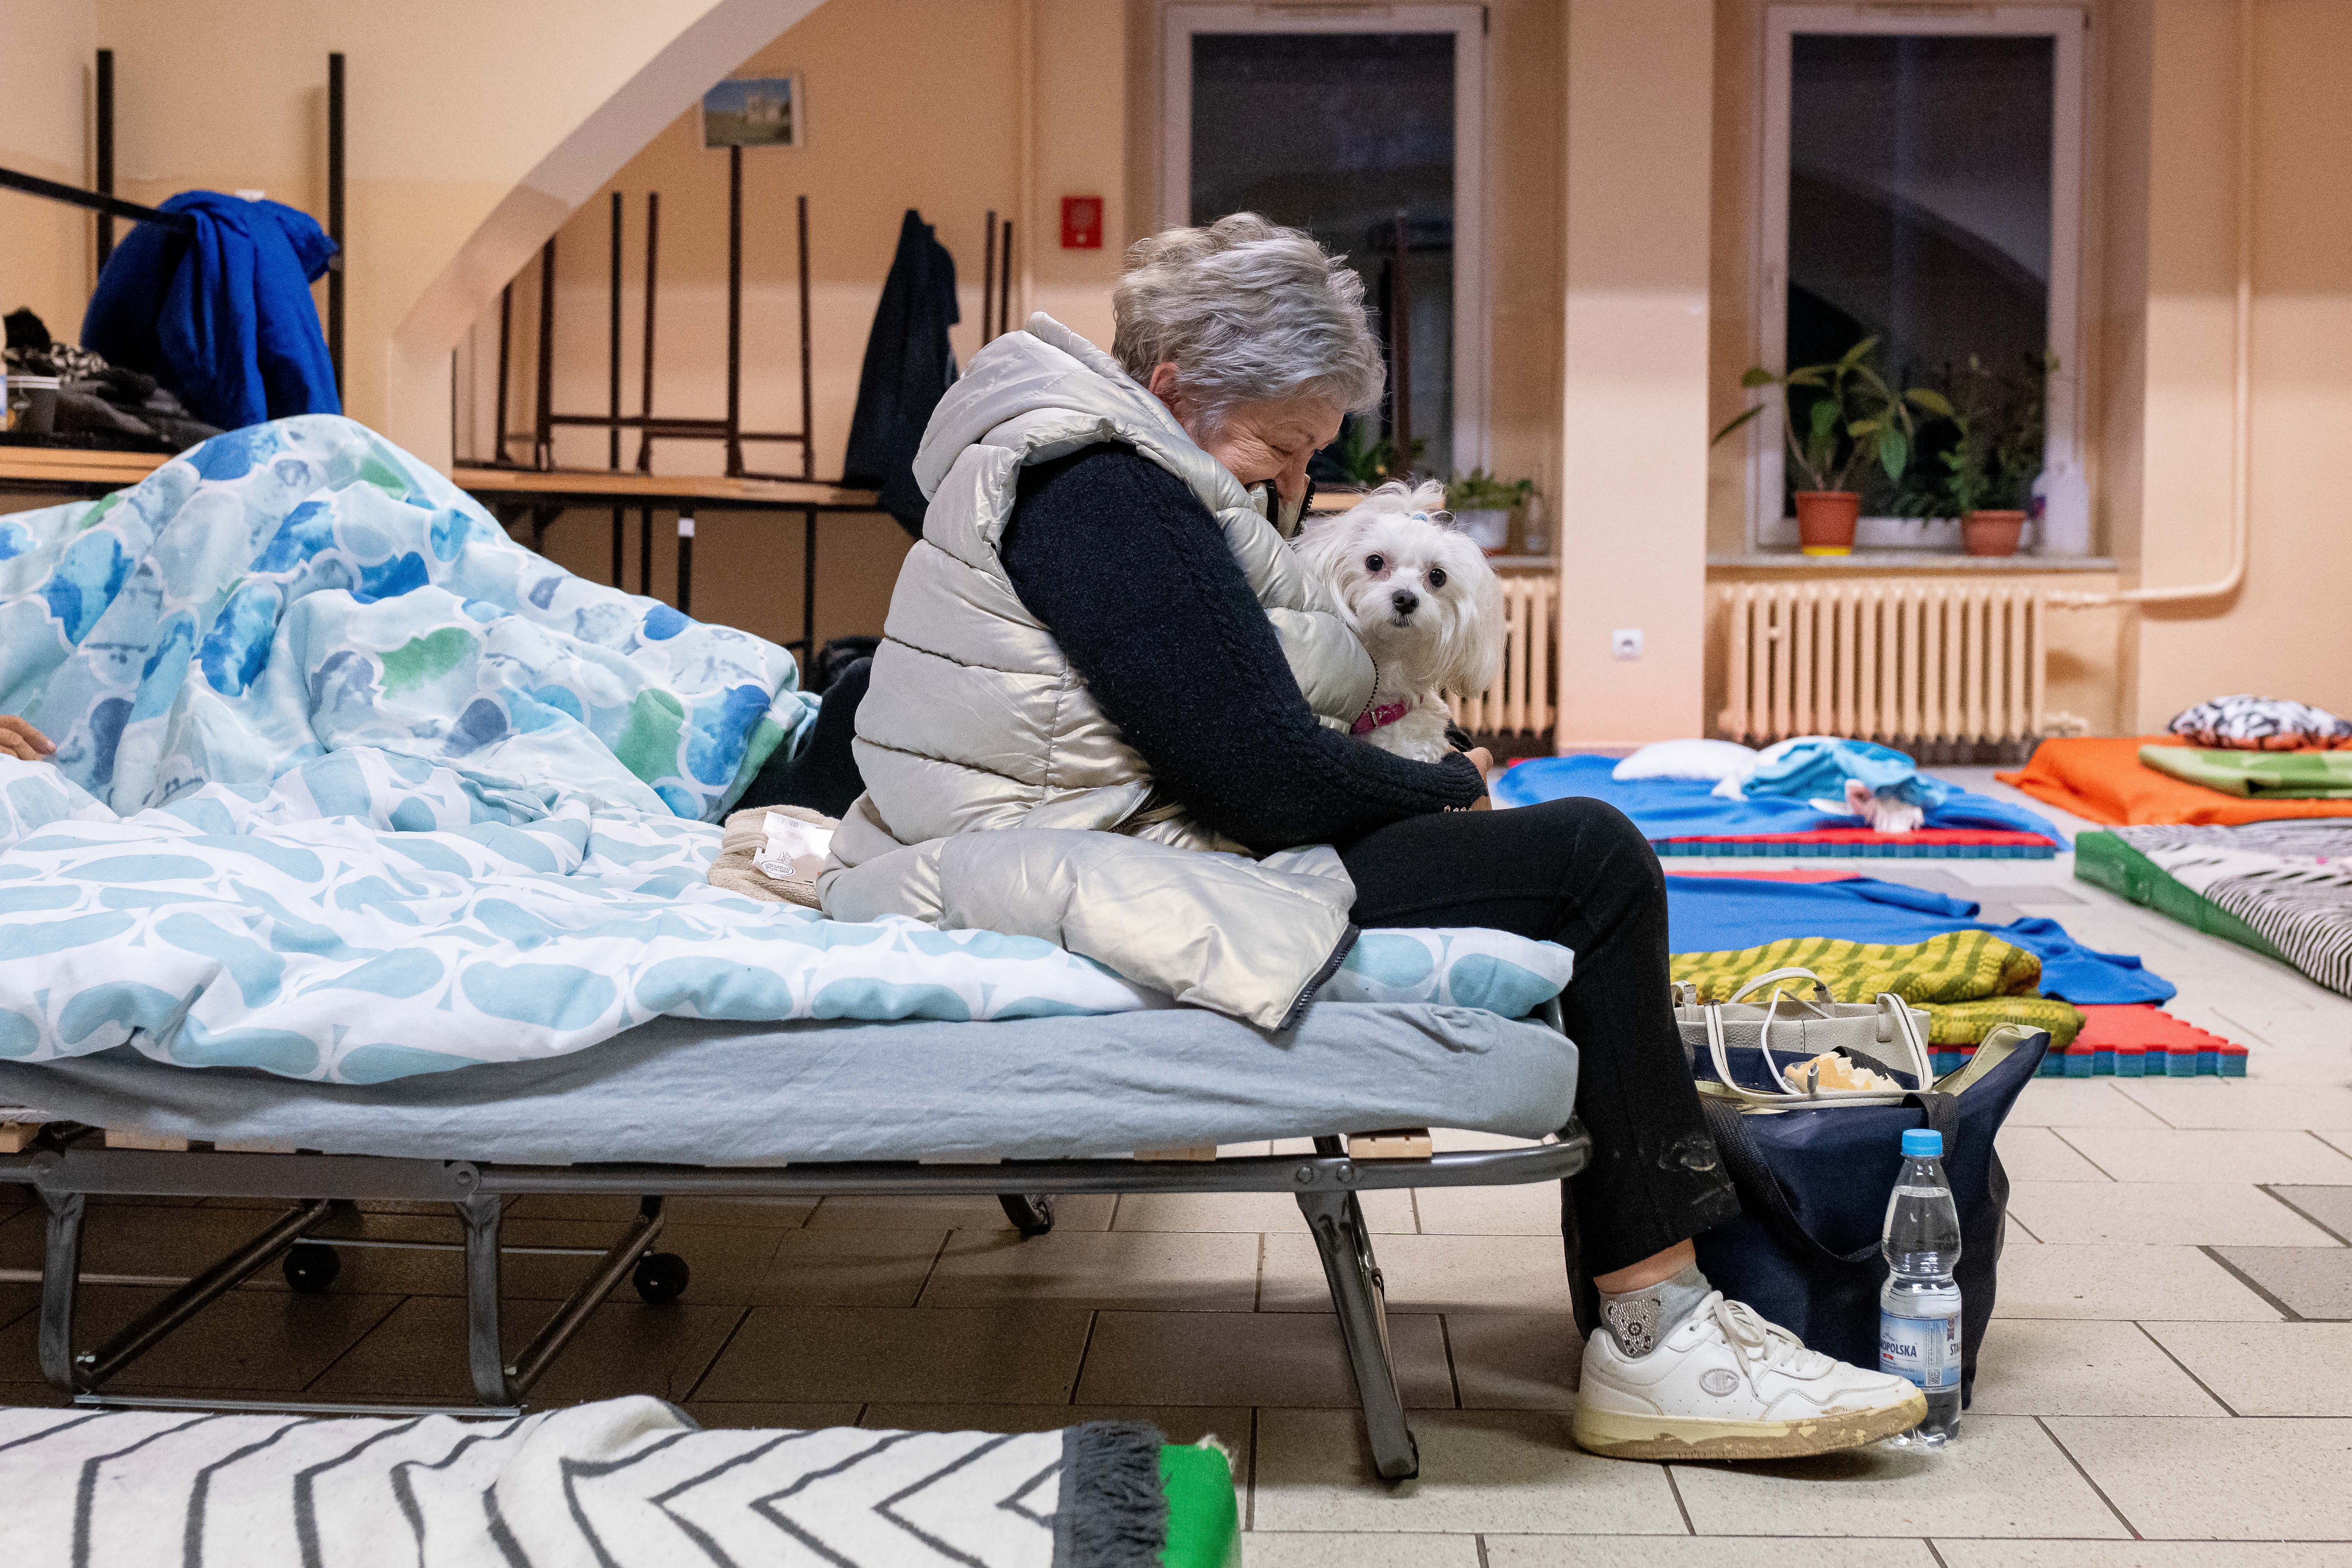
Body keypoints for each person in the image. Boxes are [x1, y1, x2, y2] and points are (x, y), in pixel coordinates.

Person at [813, 213, 1926, 1461]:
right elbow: (1261, 780)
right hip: (1057, 848)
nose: (1289, 483)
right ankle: (1657, 1333)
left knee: (1563, 851)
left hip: (1076, 823)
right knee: (1590, 858)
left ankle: (1661, 1304)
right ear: (1177, 388)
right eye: (1282, 445)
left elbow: (1221, 723)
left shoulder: (1085, 451)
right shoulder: (1102, 486)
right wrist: (1450, 794)